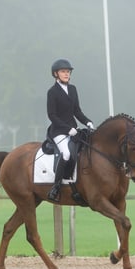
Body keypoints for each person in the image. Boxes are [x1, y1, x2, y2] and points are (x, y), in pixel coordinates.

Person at [46, 58, 94, 202]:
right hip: (58, 131)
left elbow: (77, 111)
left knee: (85, 151)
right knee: (66, 154)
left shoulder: (73, 89)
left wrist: (88, 122)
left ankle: (79, 184)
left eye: (68, 72)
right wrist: (68, 129)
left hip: (73, 129)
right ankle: (56, 187)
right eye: (63, 72)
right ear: (56, 74)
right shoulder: (52, 92)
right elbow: (52, 115)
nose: (67, 74)